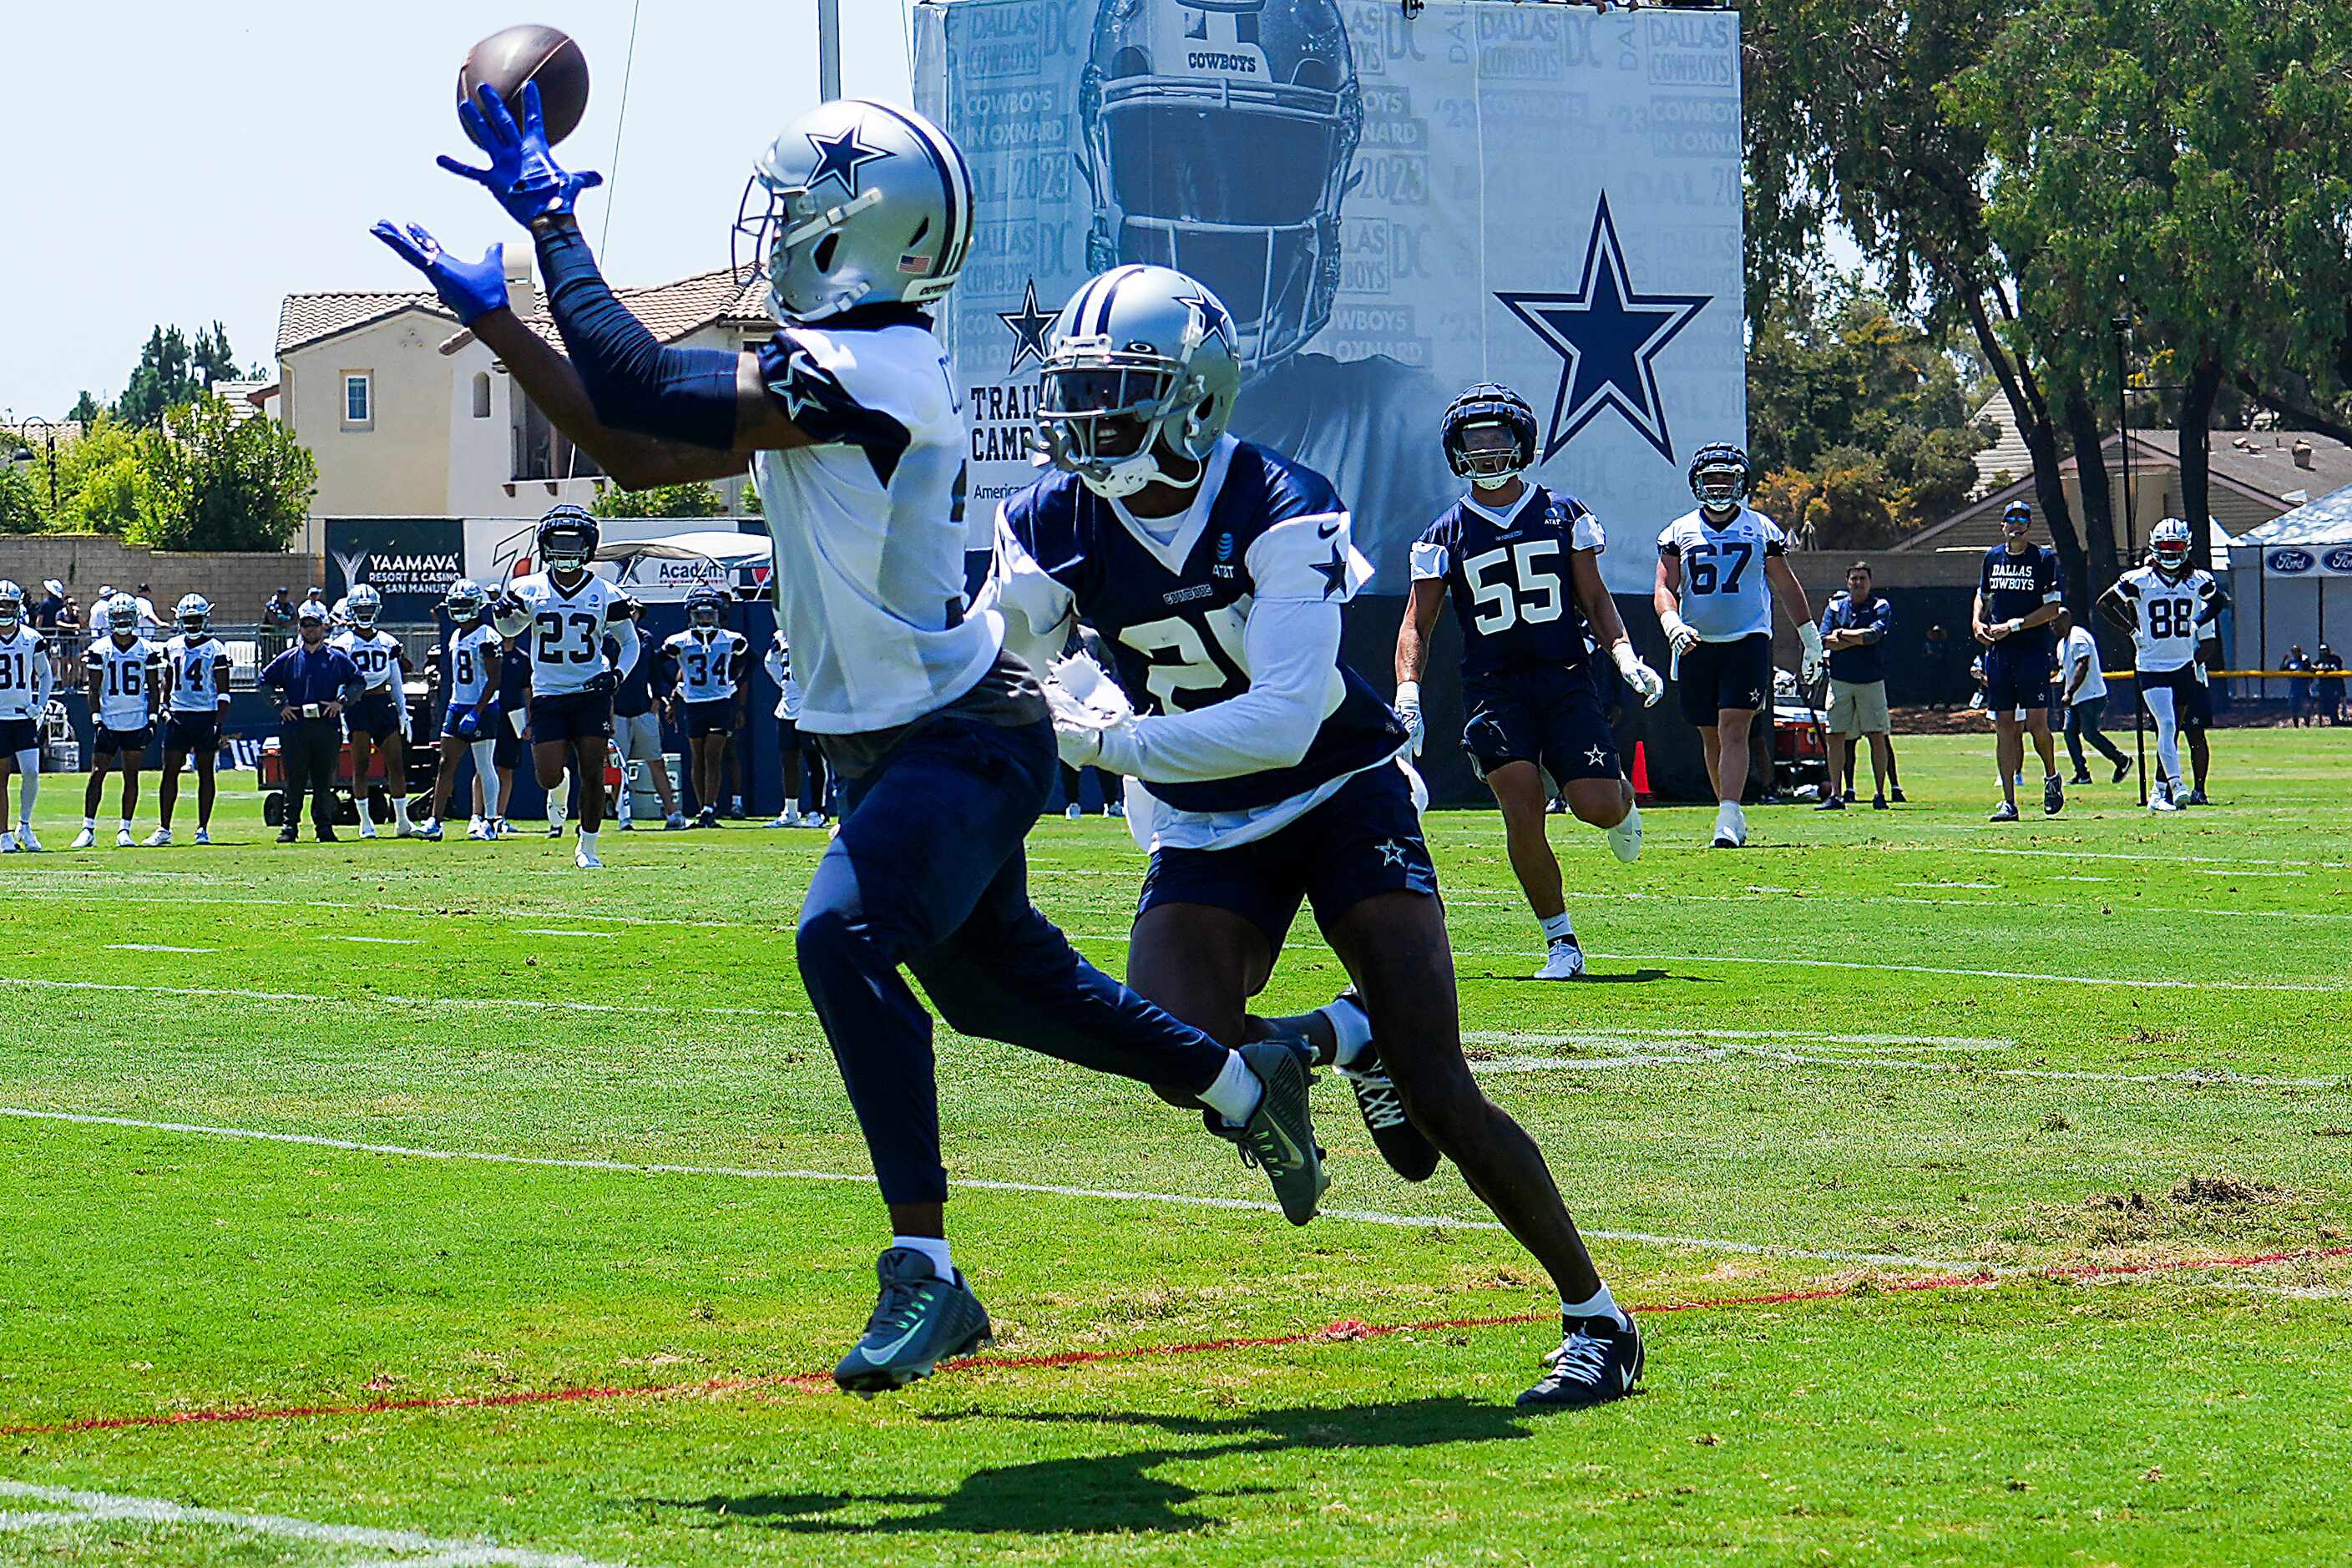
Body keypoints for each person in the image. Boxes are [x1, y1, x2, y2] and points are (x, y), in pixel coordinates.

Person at [378, 89, 1327, 1393]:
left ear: (854, 227)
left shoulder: (875, 365)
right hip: (897, 740)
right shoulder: (851, 359)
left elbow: (645, 376)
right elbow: (634, 447)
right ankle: (1240, 1078)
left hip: (961, 730)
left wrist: (552, 229)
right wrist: (498, 318)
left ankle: (925, 1270)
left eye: (795, 202)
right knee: (998, 991)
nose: (772, 224)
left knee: (842, 936)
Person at [987, 266, 1644, 1409]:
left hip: (1337, 789)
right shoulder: (1048, 517)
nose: (1086, 422)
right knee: (1178, 1049)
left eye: (1120, 392)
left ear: (1194, 398)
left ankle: (1597, 1315)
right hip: (1204, 821)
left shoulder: (1280, 501)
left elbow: (1285, 713)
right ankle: (1346, 1039)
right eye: (1079, 393)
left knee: (1439, 1091)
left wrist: (1104, 745)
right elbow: (1006, 653)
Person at [1393, 382, 1662, 979]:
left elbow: (1594, 598)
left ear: (1522, 441)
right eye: (1473, 440)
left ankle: (1620, 797)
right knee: (1521, 804)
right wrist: (1407, 693)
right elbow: (1418, 621)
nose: (1486, 451)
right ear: (1454, 449)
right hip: (1493, 686)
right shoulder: (1442, 533)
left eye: (1496, 438)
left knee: (1595, 807)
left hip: (1565, 677)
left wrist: (1624, 656)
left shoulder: (1563, 513)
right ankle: (1561, 942)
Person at [1654, 443, 1823, 847]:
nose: (1717, 486)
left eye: (1725, 479)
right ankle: (1728, 811)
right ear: (1696, 483)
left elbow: (1785, 585)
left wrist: (1810, 639)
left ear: (1741, 483)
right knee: (1710, 734)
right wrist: (1670, 621)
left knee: (1734, 727)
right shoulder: (1678, 531)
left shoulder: (1762, 529)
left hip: (1747, 639)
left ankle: (1727, 816)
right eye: (1710, 478)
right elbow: (1663, 587)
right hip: (1694, 642)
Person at [484, 506, 637, 867]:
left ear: (588, 546)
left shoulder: (607, 593)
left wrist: (615, 676)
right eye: (558, 542)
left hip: (590, 693)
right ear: (544, 544)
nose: (566, 550)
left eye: (573, 542)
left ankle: (588, 847)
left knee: (594, 772)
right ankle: (561, 790)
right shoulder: (528, 587)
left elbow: (629, 643)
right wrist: (500, 613)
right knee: (548, 775)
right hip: (549, 694)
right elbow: (508, 631)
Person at [2099, 518, 2226, 812]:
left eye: (2176, 547)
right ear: (2155, 548)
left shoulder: (2198, 580)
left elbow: (2218, 602)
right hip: (2152, 664)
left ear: (2186, 548)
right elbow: (2104, 604)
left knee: (2172, 730)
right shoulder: (2140, 579)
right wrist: (2133, 632)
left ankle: (2158, 792)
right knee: (2166, 725)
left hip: (2183, 665)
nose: (2170, 553)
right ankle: (2177, 785)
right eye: (2166, 547)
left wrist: (2197, 622)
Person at [1973, 500, 2067, 821]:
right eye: (2010, 519)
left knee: (2037, 725)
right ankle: (2009, 801)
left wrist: (2012, 626)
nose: (2016, 525)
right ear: (2002, 525)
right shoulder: (1992, 557)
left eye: (2022, 519)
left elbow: (2053, 609)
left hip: (2031, 652)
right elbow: (1983, 595)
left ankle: (2052, 777)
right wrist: (1977, 622)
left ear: (2029, 525)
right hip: (1999, 654)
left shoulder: (2043, 559)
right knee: (2003, 726)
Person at [261, 600, 363, 842]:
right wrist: (280, 705)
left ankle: (324, 827)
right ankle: (290, 827)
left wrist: (342, 701)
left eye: (314, 626)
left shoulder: (336, 658)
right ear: (299, 628)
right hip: (295, 727)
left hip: (326, 726)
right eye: (306, 625)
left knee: (324, 780)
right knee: (294, 779)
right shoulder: (287, 659)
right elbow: (264, 681)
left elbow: (358, 682)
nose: (310, 630)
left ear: (323, 628)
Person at [421, 579, 507, 842]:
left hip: (481, 708)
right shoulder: (456, 635)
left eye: (464, 604)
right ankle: (435, 822)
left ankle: (490, 822)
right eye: (456, 604)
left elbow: (494, 679)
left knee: (484, 765)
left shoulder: (487, 636)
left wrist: (477, 710)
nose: (459, 609)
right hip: (457, 705)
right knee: (446, 765)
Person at [329, 584, 417, 839]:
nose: (365, 613)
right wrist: (342, 708)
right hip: (358, 705)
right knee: (361, 765)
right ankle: (365, 822)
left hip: (382, 702)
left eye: (369, 608)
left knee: (396, 763)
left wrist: (403, 711)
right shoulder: (342, 643)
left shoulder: (388, 641)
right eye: (361, 609)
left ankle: (402, 820)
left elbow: (396, 679)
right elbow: (339, 680)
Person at [73, 593, 159, 848]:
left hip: (136, 719)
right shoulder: (100, 648)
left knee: (131, 776)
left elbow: (154, 688)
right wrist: (97, 720)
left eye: (126, 616)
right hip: (109, 720)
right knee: (97, 773)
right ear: (110, 619)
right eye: (118, 617)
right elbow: (93, 689)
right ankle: (88, 828)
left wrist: (152, 719)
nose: (122, 621)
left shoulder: (147, 649)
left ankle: (125, 829)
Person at [660, 584, 748, 828]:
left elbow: (750, 661)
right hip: (694, 703)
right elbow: (659, 664)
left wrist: (734, 685)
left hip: (720, 702)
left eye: (710, 614)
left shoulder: (730, 639)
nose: (706, 618)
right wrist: (676, 690)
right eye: (701, 614)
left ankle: (709, 808)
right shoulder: (681, 641)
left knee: (713, 755)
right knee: (698, 757)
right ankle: (703, 809)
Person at [149, 594, 232, 846]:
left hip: (205, 715)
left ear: (205, 619)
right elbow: (167, 678)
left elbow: (224, 690)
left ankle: (202, 829)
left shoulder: (216, 648)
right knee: (169, 772)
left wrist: (218, 721)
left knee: (206, 773)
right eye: (189, 619)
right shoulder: (173, 645)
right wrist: (164, 706)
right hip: (179, 714)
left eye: (197, 619)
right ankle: (164, 828)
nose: (193, 624)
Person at [1815, 561, 1893, 811]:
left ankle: (1880, 794)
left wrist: (1842, 635)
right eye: (1854, 579)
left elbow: (1873, 636)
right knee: (1835, 735)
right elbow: (1823, 639)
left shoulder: (1880, 606)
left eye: (1862, 578)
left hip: (1871, 681)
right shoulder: (1835, 606)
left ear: (1870, 582)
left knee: (1876, 735)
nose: (1858, 583)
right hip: (1839, 681)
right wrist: (1854, 637)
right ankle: (1836, 795)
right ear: (1847, 582)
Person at [608, 592, 686, 832]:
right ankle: (623, 816)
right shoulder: (609, 641)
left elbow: (653, 671)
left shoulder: (645, 639)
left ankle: (673, 814)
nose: (632, 615)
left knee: (656, 762)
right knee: (616, 768)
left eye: (635, 611)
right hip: (618, 712)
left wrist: (657, 700)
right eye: (629, 611)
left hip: (643, 710)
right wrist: (608, 711)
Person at [0, 580, 55, 853]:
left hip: (23, 717)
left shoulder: (32, 638)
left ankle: (25, 824)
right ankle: (3, 835)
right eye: (0, 604)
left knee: (31, 773)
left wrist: (40, 704)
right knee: (1, 779)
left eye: (8, 604)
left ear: (17, 606)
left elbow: (46, 674)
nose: (4, 609)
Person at [763, 630, 829, 829]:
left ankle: (818, 810)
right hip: (787, 707)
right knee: (788, 761)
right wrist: (785, 685)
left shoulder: (818, 629)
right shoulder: (781, 636)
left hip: (811, 706)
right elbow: (770, 662)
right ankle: (790, 811)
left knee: (815, 761)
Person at [2059, 610, 2128, 784]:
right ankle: (2082, 774)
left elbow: (2083, 665)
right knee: (2069, 733)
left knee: (2089, 734)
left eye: (2054, 623)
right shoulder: (2062, 644)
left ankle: (2122, 760)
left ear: (2065, 621)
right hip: (2076, 698)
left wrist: (2069, 692)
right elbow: (2066, 670)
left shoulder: (2078, 637)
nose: (2052, 627)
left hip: (2091, 695)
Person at [2282, 645, 2314, 726]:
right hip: (2294, 688)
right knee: (2294, 708)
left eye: (2296, 651)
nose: (2295, 653)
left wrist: (2305, 660)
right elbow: (2282, 669)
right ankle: (2296, 726)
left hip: (2304, 688)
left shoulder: (2304, 662)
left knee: (2305, 708)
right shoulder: (2291, 663)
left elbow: (2308, 668)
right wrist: (2284, 660)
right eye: (2293, 651)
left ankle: (2307, 725)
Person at [2314, 642, 2345, 726]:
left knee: (2334, 706)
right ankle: (2333, 722)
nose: (2323, 652)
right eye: (2322, 650)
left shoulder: (2335, 659)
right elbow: (2312, 667)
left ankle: (2336, 722)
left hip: (2335, 688)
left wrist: (2323, 668)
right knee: (2325, 708)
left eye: (2325, 650)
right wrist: (2314, 667)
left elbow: (2334, 669)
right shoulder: (2319, 662)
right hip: (2324, 689)